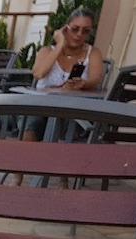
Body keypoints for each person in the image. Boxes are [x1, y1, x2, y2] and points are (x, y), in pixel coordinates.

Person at [23, 8, 104, 142]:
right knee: (33, 125)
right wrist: (60, 44)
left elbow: (96, 79)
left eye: (85, 31)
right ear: (65, 29)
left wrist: (83, 84)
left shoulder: (93, 53)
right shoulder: (47, 51)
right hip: (42, 107)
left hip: (73, 109)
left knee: (73, 125)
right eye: (75, 29)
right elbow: (38, 73)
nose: (79, 34)